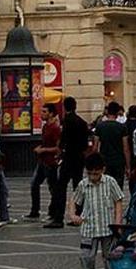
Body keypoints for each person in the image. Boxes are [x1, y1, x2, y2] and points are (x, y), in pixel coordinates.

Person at [70, 152, 124, 269]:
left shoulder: (110, 182)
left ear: (103, 170)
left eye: (96, 173)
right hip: (89, 228)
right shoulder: (83, 184)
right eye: (90, 173)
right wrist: (73, 215)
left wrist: (117, 222)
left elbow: (118, 201)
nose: (93, 177)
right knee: (86, 258)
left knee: (108, 258)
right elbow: (74, 200)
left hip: (107, 227)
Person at [52, 96, 90, 229]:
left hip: (68, 157)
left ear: (64, 107)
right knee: (78, 187)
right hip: (79, 157)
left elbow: (63, 140)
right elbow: (86, 143)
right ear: (75, 106)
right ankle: (78, 215)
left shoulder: (66, 121)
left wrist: (59, 153)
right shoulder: (82, 122)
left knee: (61, 187)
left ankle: (58, 217)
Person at [27, 105, 61, 223]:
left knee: (53, 188)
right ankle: (34, 210)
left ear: (51, 114)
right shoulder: (45, 126)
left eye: (44, 112)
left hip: (50, 162)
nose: (42, 114)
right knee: (34, 184)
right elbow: (46, 143)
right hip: (42, 161)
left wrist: (44, 150)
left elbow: (58, 148)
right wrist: (41, 147)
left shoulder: (55, 128)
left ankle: (53, 212)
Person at [94, 102, 130, 189]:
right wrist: (128, 166)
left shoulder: (100, 126)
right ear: (117, 112)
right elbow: (126, 148)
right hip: (118, 161)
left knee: (105, 187)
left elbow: (95, 147)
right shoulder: (122, 127)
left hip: (104, 160)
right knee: (118, 188)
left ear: (107, 111)